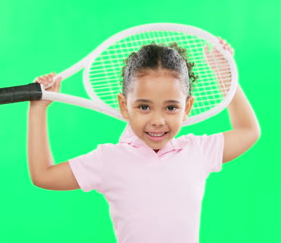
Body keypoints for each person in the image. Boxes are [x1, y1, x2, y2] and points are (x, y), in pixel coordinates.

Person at [27, 38, 261, 243]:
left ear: (187, 107)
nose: (158, 120)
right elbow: (43, 175)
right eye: (144, 106)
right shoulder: (108, 160)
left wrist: (225, 77)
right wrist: (38, 109)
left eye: (171, 107)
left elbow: (249, 131)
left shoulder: (197, 151)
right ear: (124, 106)